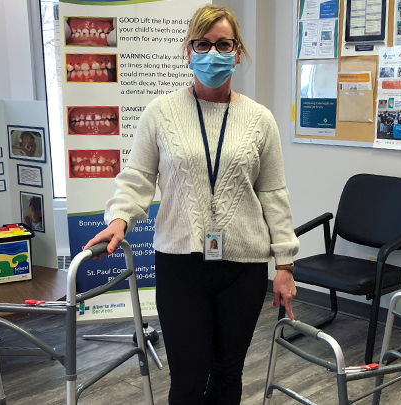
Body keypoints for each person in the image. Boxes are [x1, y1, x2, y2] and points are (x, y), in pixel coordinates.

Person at [83, 5, 298, 404]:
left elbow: (273, 194)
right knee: (187, 377)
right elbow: (138, 177)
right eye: (203, 43)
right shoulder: (160, 112)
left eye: (224, 44)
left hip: (244, 266)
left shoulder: (260, 119)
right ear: (189, 50)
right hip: (180, 263)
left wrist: (284, 264)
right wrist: (120, 218)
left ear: (238, 52)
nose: (213, 53)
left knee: (228, 373)